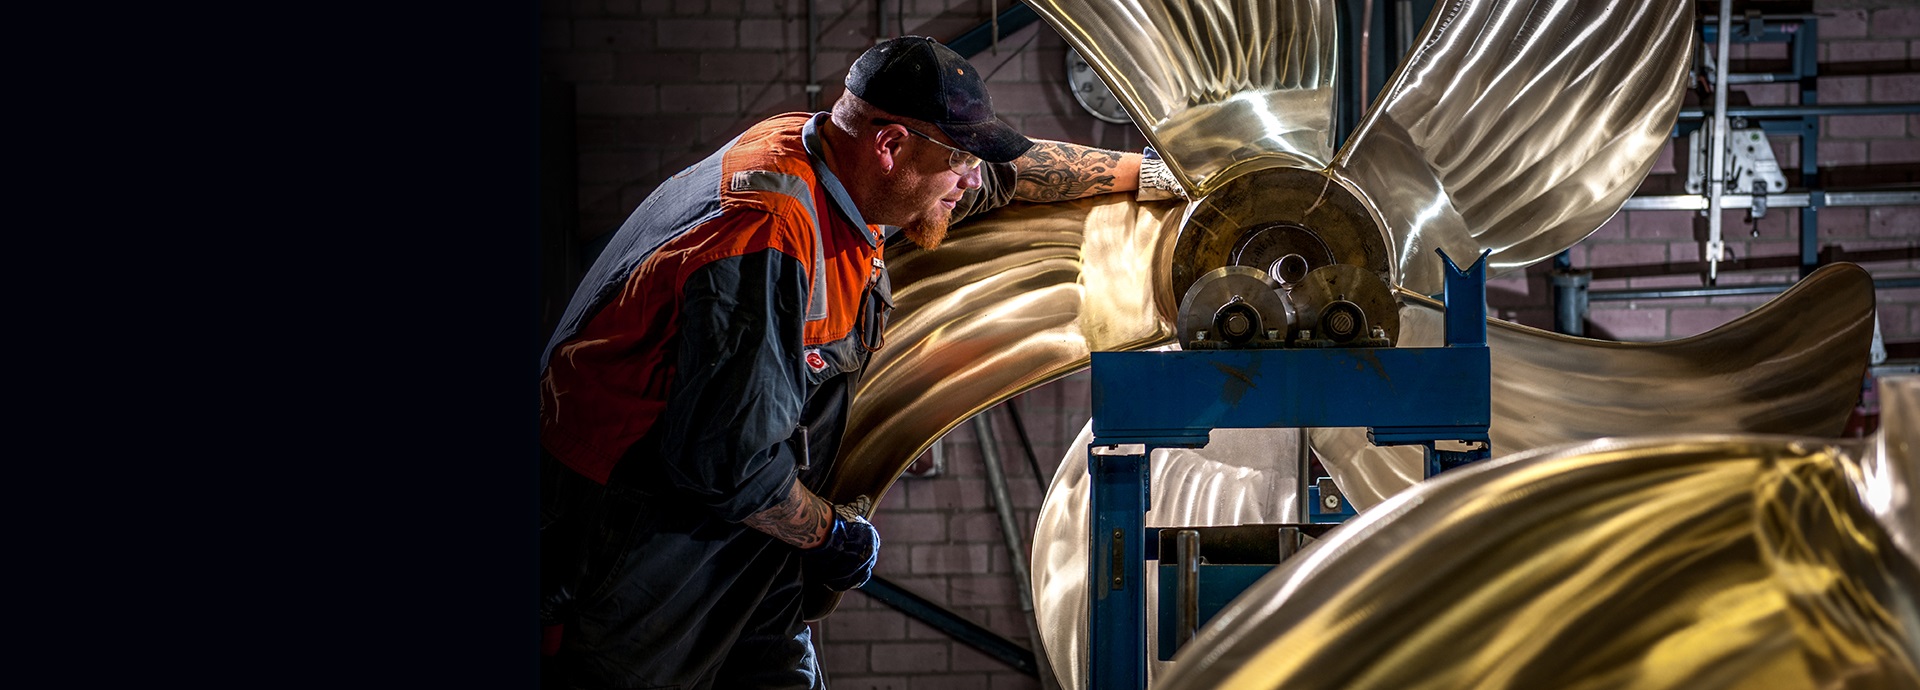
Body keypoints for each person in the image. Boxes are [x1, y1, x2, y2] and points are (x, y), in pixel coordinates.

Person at [537, 35, 1187, 690]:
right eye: (958, 160)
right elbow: (730, 467)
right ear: (891, 144)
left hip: (743, 535)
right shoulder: (766, 235)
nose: (969, 180)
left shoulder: (840, 162)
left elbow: (1005, 176)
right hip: (637, 539)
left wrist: (1156, 174)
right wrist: (833, 537)